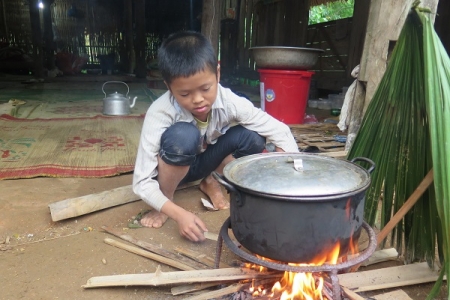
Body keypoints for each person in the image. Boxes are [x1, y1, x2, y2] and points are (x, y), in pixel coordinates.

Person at [132, 31, 299, 242]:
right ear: (169, 87)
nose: (198, 100)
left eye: (206, 88)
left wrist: (296, 177)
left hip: (203, 162)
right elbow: (141, 182)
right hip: (172, 166)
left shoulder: (229, 101)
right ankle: (166, 201)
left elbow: (279, 131)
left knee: (253, 137)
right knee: (184, 136)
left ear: (217, 74)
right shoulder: (160, 112)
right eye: (184, 94)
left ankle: (210, 180)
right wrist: (178, 214)